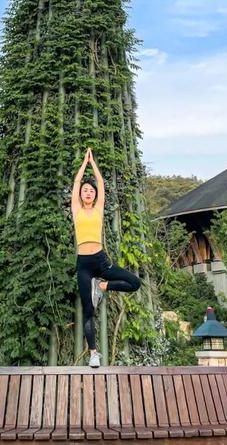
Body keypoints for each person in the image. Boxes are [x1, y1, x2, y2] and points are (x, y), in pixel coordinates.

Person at [72, 147, 141, 368]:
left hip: (101, 261)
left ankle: (102, 286)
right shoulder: (77, 210)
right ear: (81, 195)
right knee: (88, 310)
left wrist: (94, 165)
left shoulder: (99, 208)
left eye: (91, 190)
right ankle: (93, 353)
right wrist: (84, 163)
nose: (88, 192)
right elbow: (76, 183)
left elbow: (101, 184)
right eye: (85, 191)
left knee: (134, 283)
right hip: (83, 265)